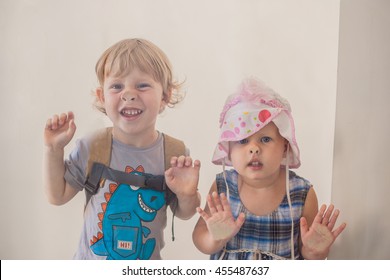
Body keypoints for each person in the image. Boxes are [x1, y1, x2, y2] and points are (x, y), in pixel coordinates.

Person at [43, 38, 200, 260]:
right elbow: (57, 196)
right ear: (102, 96)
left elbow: (185, 213)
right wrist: (53, 150)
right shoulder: (94, 146)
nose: (129, 93)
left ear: (165, 96)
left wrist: (187, 194)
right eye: (117, 86)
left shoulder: (174, 152)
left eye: (142, 85)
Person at [192, 77, 346, 260]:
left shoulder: (302, 193)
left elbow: (306, 255)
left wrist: (314, 250)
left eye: (265, 139)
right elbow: (200, 238)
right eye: (242, 140)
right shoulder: (223, 186)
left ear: (285, 147)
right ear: (228, 149)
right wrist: (214, 238)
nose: (254, 148)